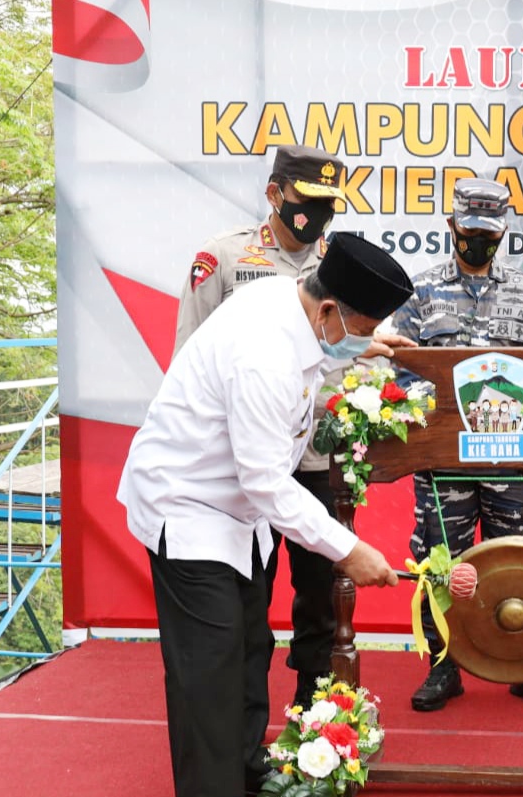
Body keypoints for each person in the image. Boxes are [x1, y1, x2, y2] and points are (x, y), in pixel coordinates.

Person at [118, 232, 416, 797]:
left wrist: (364, 342)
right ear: (329, 310)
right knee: (208, 673)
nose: (358, 342)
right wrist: (349, 551)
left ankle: (246, 766)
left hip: (236, 514)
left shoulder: (292, 298)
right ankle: (213, 783)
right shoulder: (264, 354)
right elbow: (265, 482)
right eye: (358, 330)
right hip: (189, 510)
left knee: (251, 646)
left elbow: (260, 475)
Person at [173, 143, 354, 710]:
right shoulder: (224, 258)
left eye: (330, 204)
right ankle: (245, 727)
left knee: (322, 594)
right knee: (247, 593)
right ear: (275, 194)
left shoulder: (343, 268)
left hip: (318, 459)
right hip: (238, 463)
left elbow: (365, 359)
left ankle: (317, 718)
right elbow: (189, 359)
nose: (318, 215)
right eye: (308, 201)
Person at [391, 177, 523, 712]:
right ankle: (444, 665)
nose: (478, 241)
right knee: (441, 560)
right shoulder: (417, 295)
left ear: (503, 232)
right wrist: (446, 409)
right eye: (470, 231)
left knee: (522, 559)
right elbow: (402, 373)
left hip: (511, 464)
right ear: (452, 227)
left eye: (489, 233)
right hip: (444, 463)